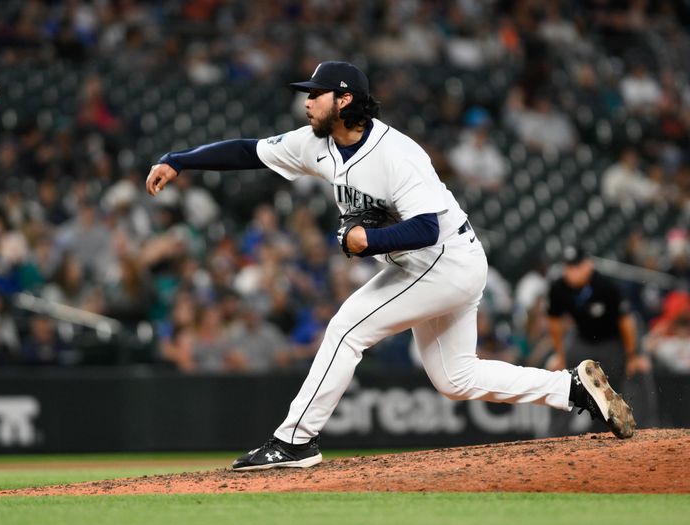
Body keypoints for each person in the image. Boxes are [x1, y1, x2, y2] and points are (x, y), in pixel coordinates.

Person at [145, 61, 635, 471]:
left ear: (344, 100)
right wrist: (180, 160)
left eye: (315, 94)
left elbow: (426, 228)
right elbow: (248, 152)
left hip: (443, 260)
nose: (306, 101)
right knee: (455, 379)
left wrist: (367, 240)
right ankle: (570, 388)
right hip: (431, 264)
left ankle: (295, 441)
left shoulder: (396, 154)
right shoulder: (317, 142)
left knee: (345, 329)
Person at [546, 245, 655, 433]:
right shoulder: (559, 287)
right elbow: (554, 322)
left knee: (636, 370)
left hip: (615, 340)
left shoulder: (606, 286)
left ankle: (642, 430)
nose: (572, 272)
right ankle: (555, 434)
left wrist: (633, 355)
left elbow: (627, 322)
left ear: (588, 265)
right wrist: (560, 354)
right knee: (560, 373)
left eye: (577, 266)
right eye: (568, 267)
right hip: (583, 340)